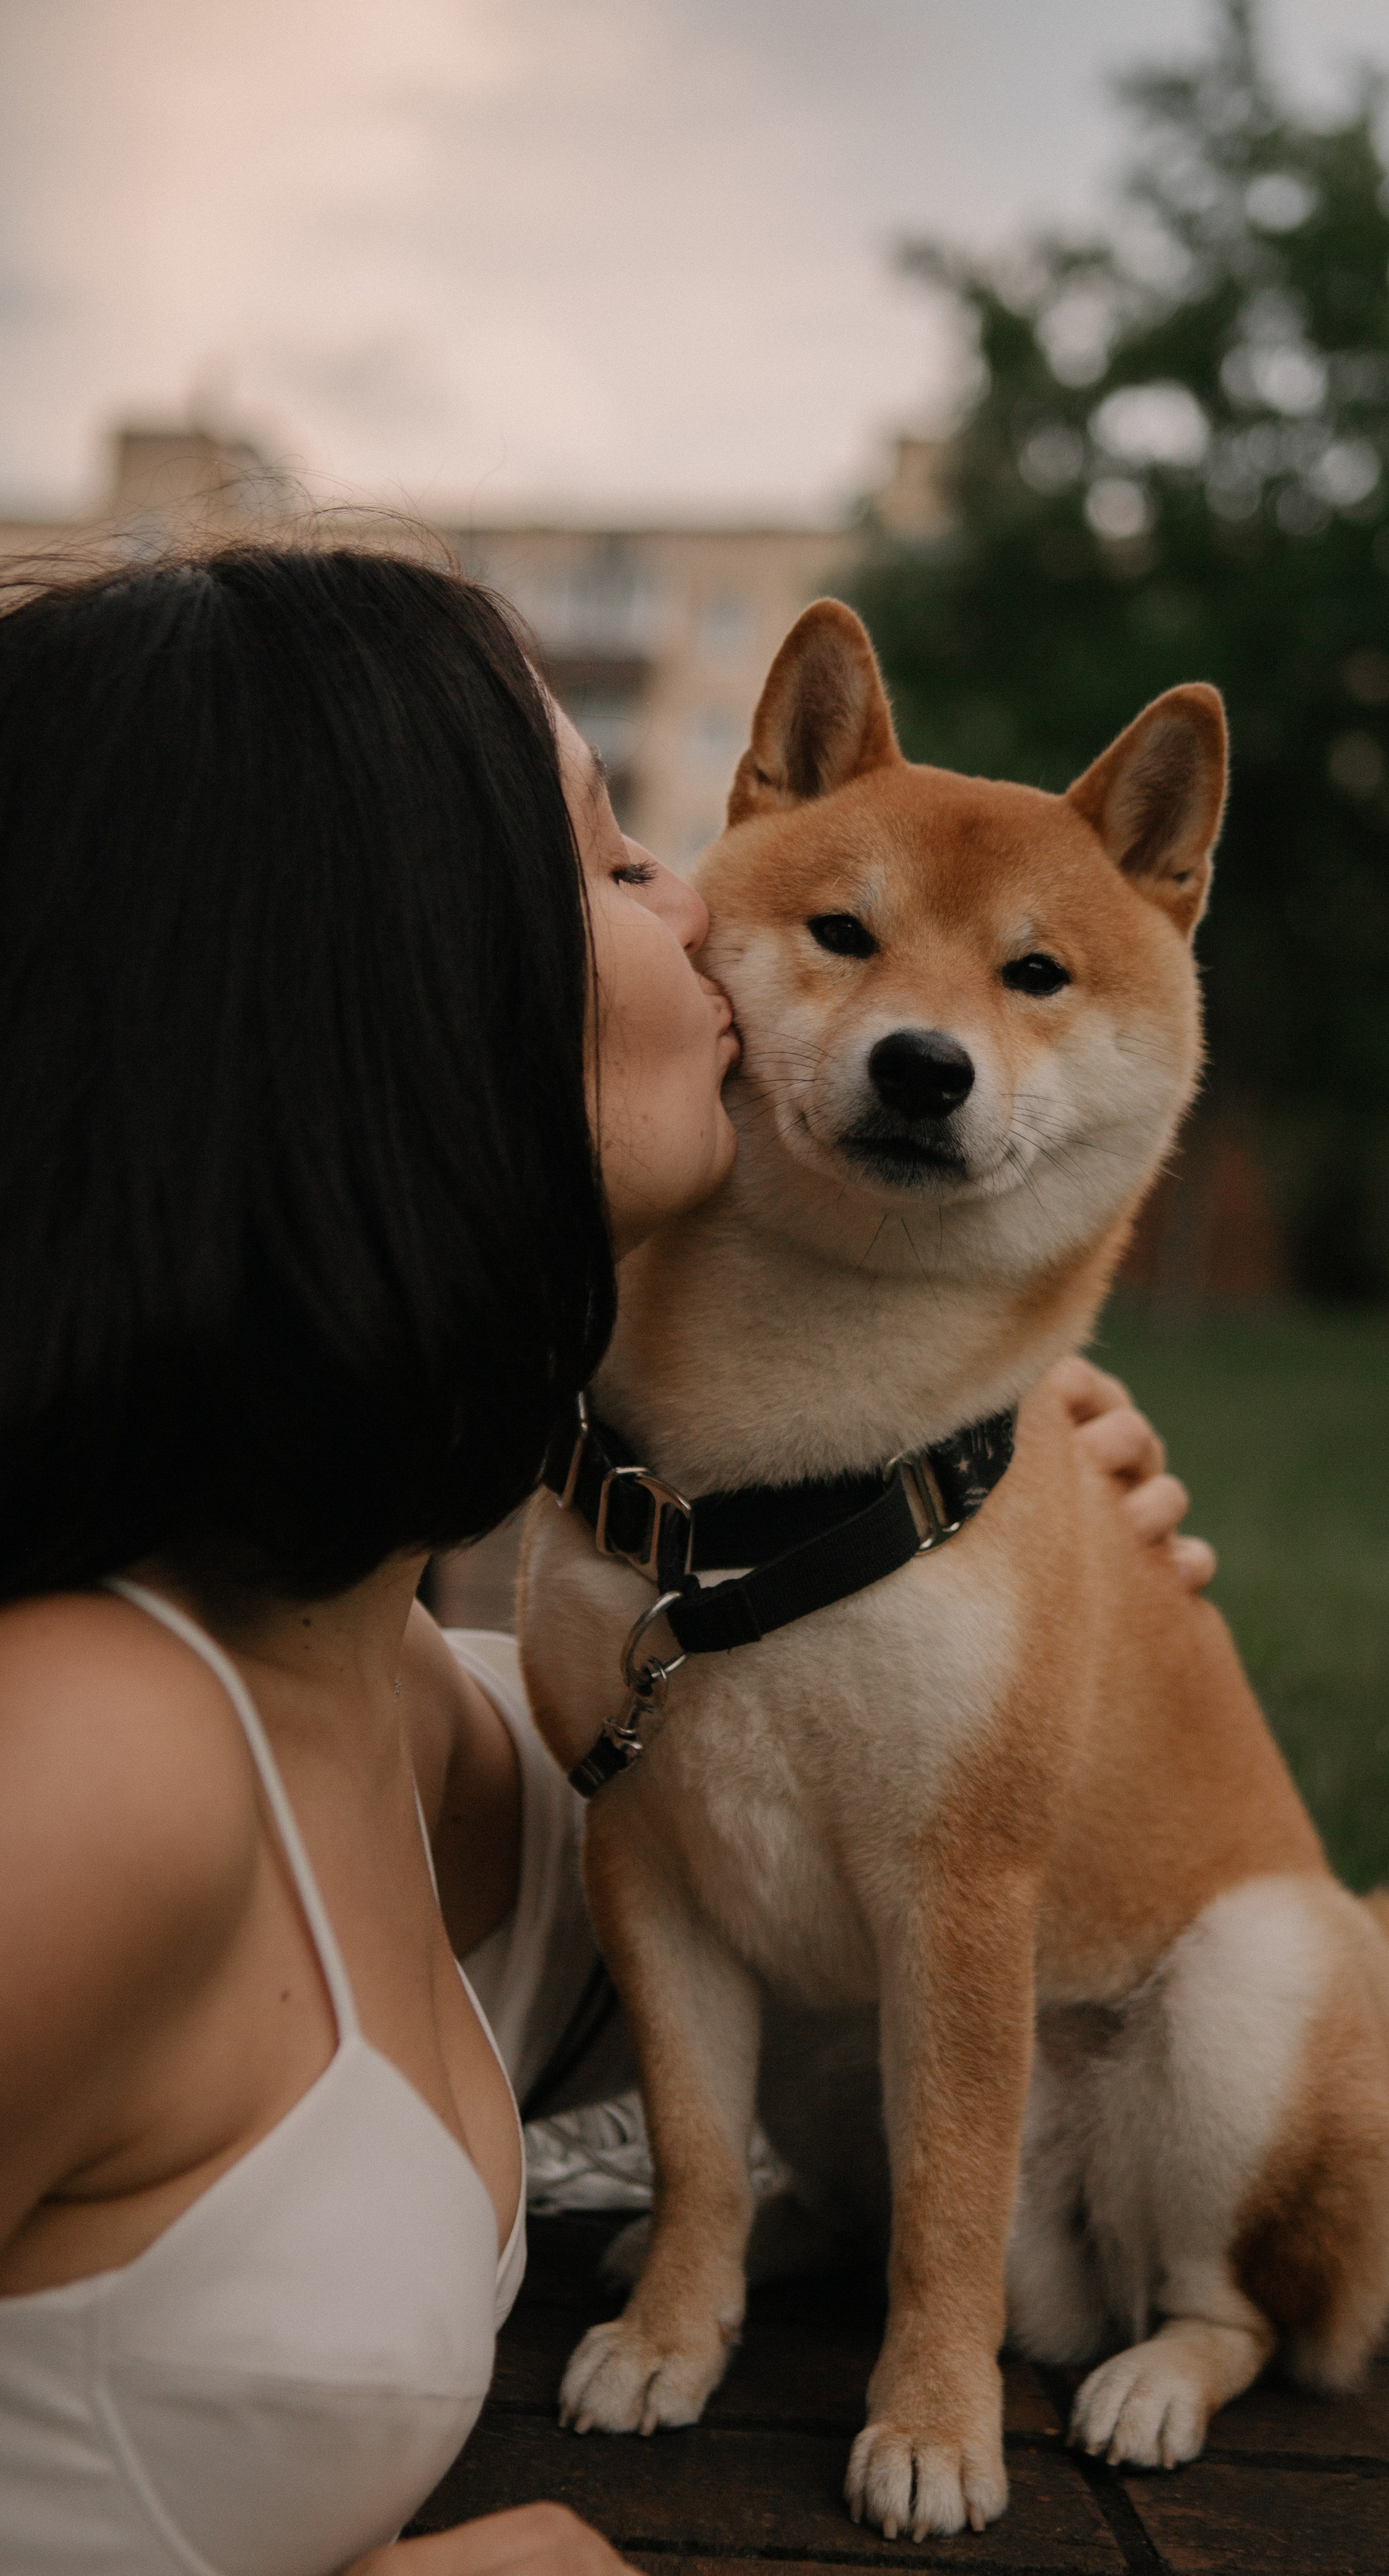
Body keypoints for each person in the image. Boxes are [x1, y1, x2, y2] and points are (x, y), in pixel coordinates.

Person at [0, 543, 1215, 2576]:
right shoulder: (87, 1768)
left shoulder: (437, 1701)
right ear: (366, 999)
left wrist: (1000, 1545)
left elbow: (780, 1841)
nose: (710, 900)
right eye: (610, 854)